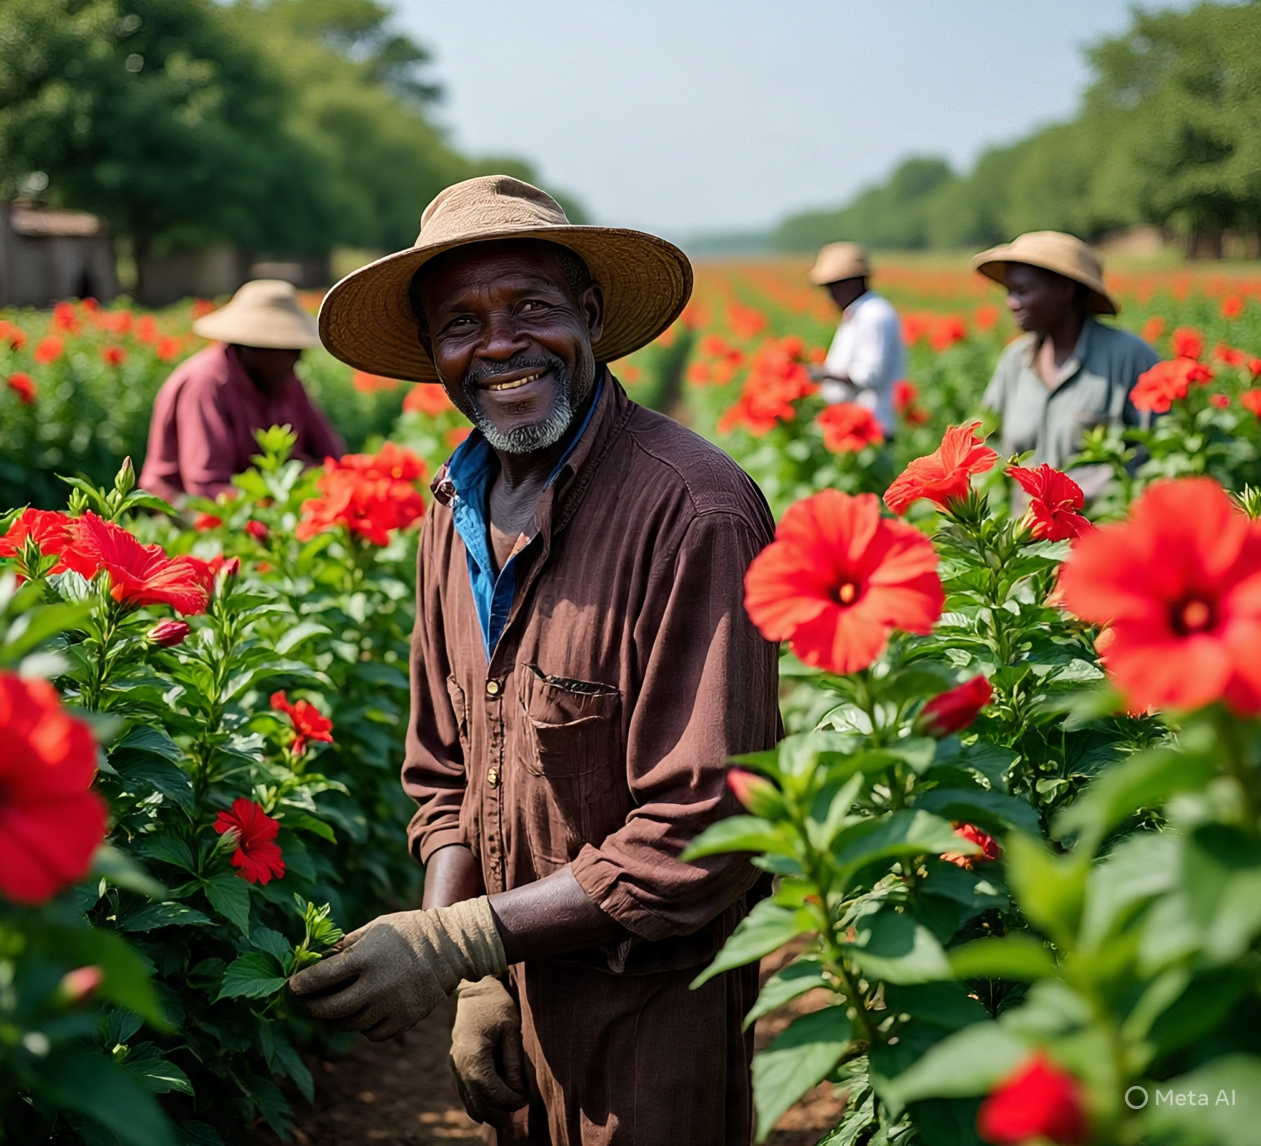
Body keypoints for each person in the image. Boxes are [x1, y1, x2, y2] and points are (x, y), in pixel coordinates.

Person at [288, 175, 781, 1145]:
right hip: (515, 1001)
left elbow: (705, 827)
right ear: (433, 354)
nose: (500, 343)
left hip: (652, 1011)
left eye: (530, 307)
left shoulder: (693, 512)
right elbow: (444, 768)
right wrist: (471, 974)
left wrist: (458, 937)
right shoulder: (453, 511)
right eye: (460, 322)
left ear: (589, 317)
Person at [973, 232, 1157, 485]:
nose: (1011, 303)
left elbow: (1159, 458)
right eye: (1009, 291)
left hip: (1102, 522)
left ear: (1065, 289)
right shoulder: (1014, 360)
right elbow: (988, 444)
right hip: (1024, 523)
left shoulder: (1130, 357)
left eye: (1022, 291)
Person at [139, 279, 345, 504]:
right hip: (190, 514)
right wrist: (276, 499)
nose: (297, 358)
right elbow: (206, 486)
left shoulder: (285, 382)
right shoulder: (206, 385)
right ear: (253, 347)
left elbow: (331, 455)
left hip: (267, 505)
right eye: (288, 349)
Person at [808, 241, 905, 436]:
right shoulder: (859, 313)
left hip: (871, 427)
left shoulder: (874, 315)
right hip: (853, 425)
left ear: (851, 282)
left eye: (832, 287)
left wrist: (823, 374)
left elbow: (869, 376)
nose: (830, 295)